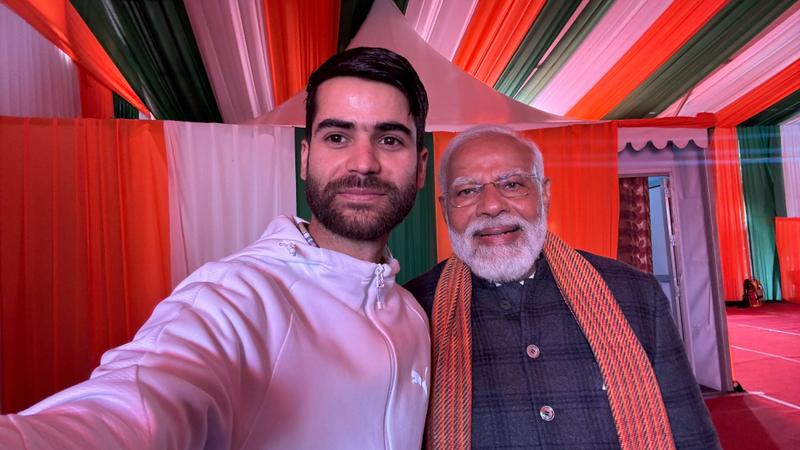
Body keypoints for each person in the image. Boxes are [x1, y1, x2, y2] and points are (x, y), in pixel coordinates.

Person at [0, 47, 431, 450]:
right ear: (304, 159)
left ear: (421, 169)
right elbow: (137, 404)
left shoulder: (413, 313)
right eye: (337, 137)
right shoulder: (236, 294)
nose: (362, 162)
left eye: (390, 140)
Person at [405, 125, 720, 450]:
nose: (492, 206)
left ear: (544, 195)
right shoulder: (413, 311)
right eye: (467, 191)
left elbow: (693, 437)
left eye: (512, 184)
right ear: (444, 210)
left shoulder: (634, 294)